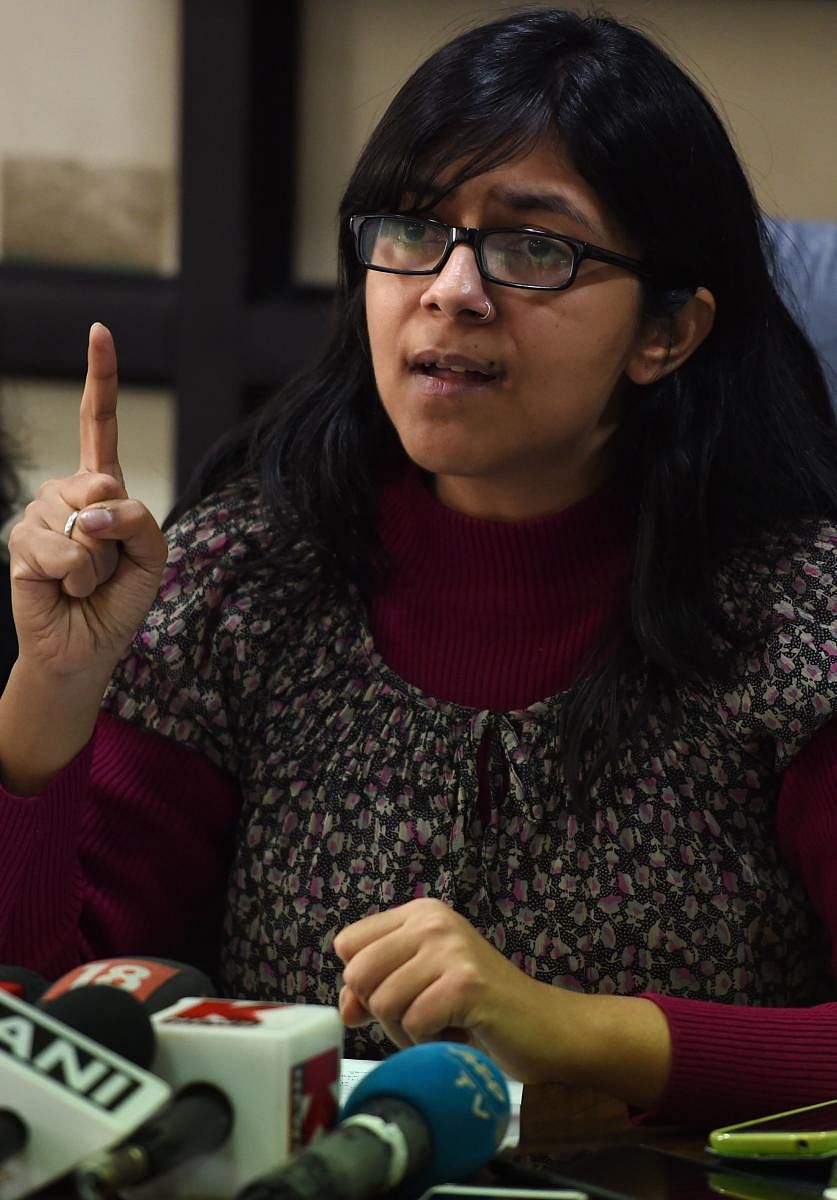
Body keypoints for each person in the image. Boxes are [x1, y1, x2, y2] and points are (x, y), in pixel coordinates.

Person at [1, 7, 836, 1128]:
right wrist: (49, 699)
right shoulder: (242, 582)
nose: (450, 289)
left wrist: (575, 1026)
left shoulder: (796, 622)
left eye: (534, 247)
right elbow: (51, 1028)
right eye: (411, 230)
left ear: (667, 333)